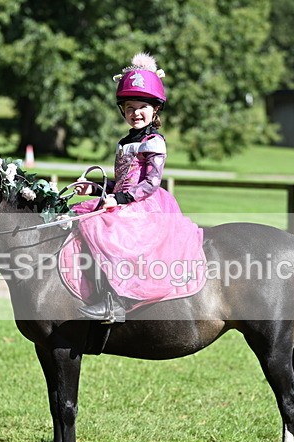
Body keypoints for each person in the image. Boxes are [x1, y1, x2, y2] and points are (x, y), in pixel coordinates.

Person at [71, 52, 205, 323]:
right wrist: (97, 189)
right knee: (79, 218)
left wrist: (118, 199)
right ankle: (87, 289)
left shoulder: (154, 141)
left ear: (155, 109)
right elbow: (121, 181)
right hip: (124, 198)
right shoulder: (125, 142)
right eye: (130, 107)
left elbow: (150, 184)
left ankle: (117, 302)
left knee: (106, 230)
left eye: (142, 107)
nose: (135, 113)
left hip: (145, 204)